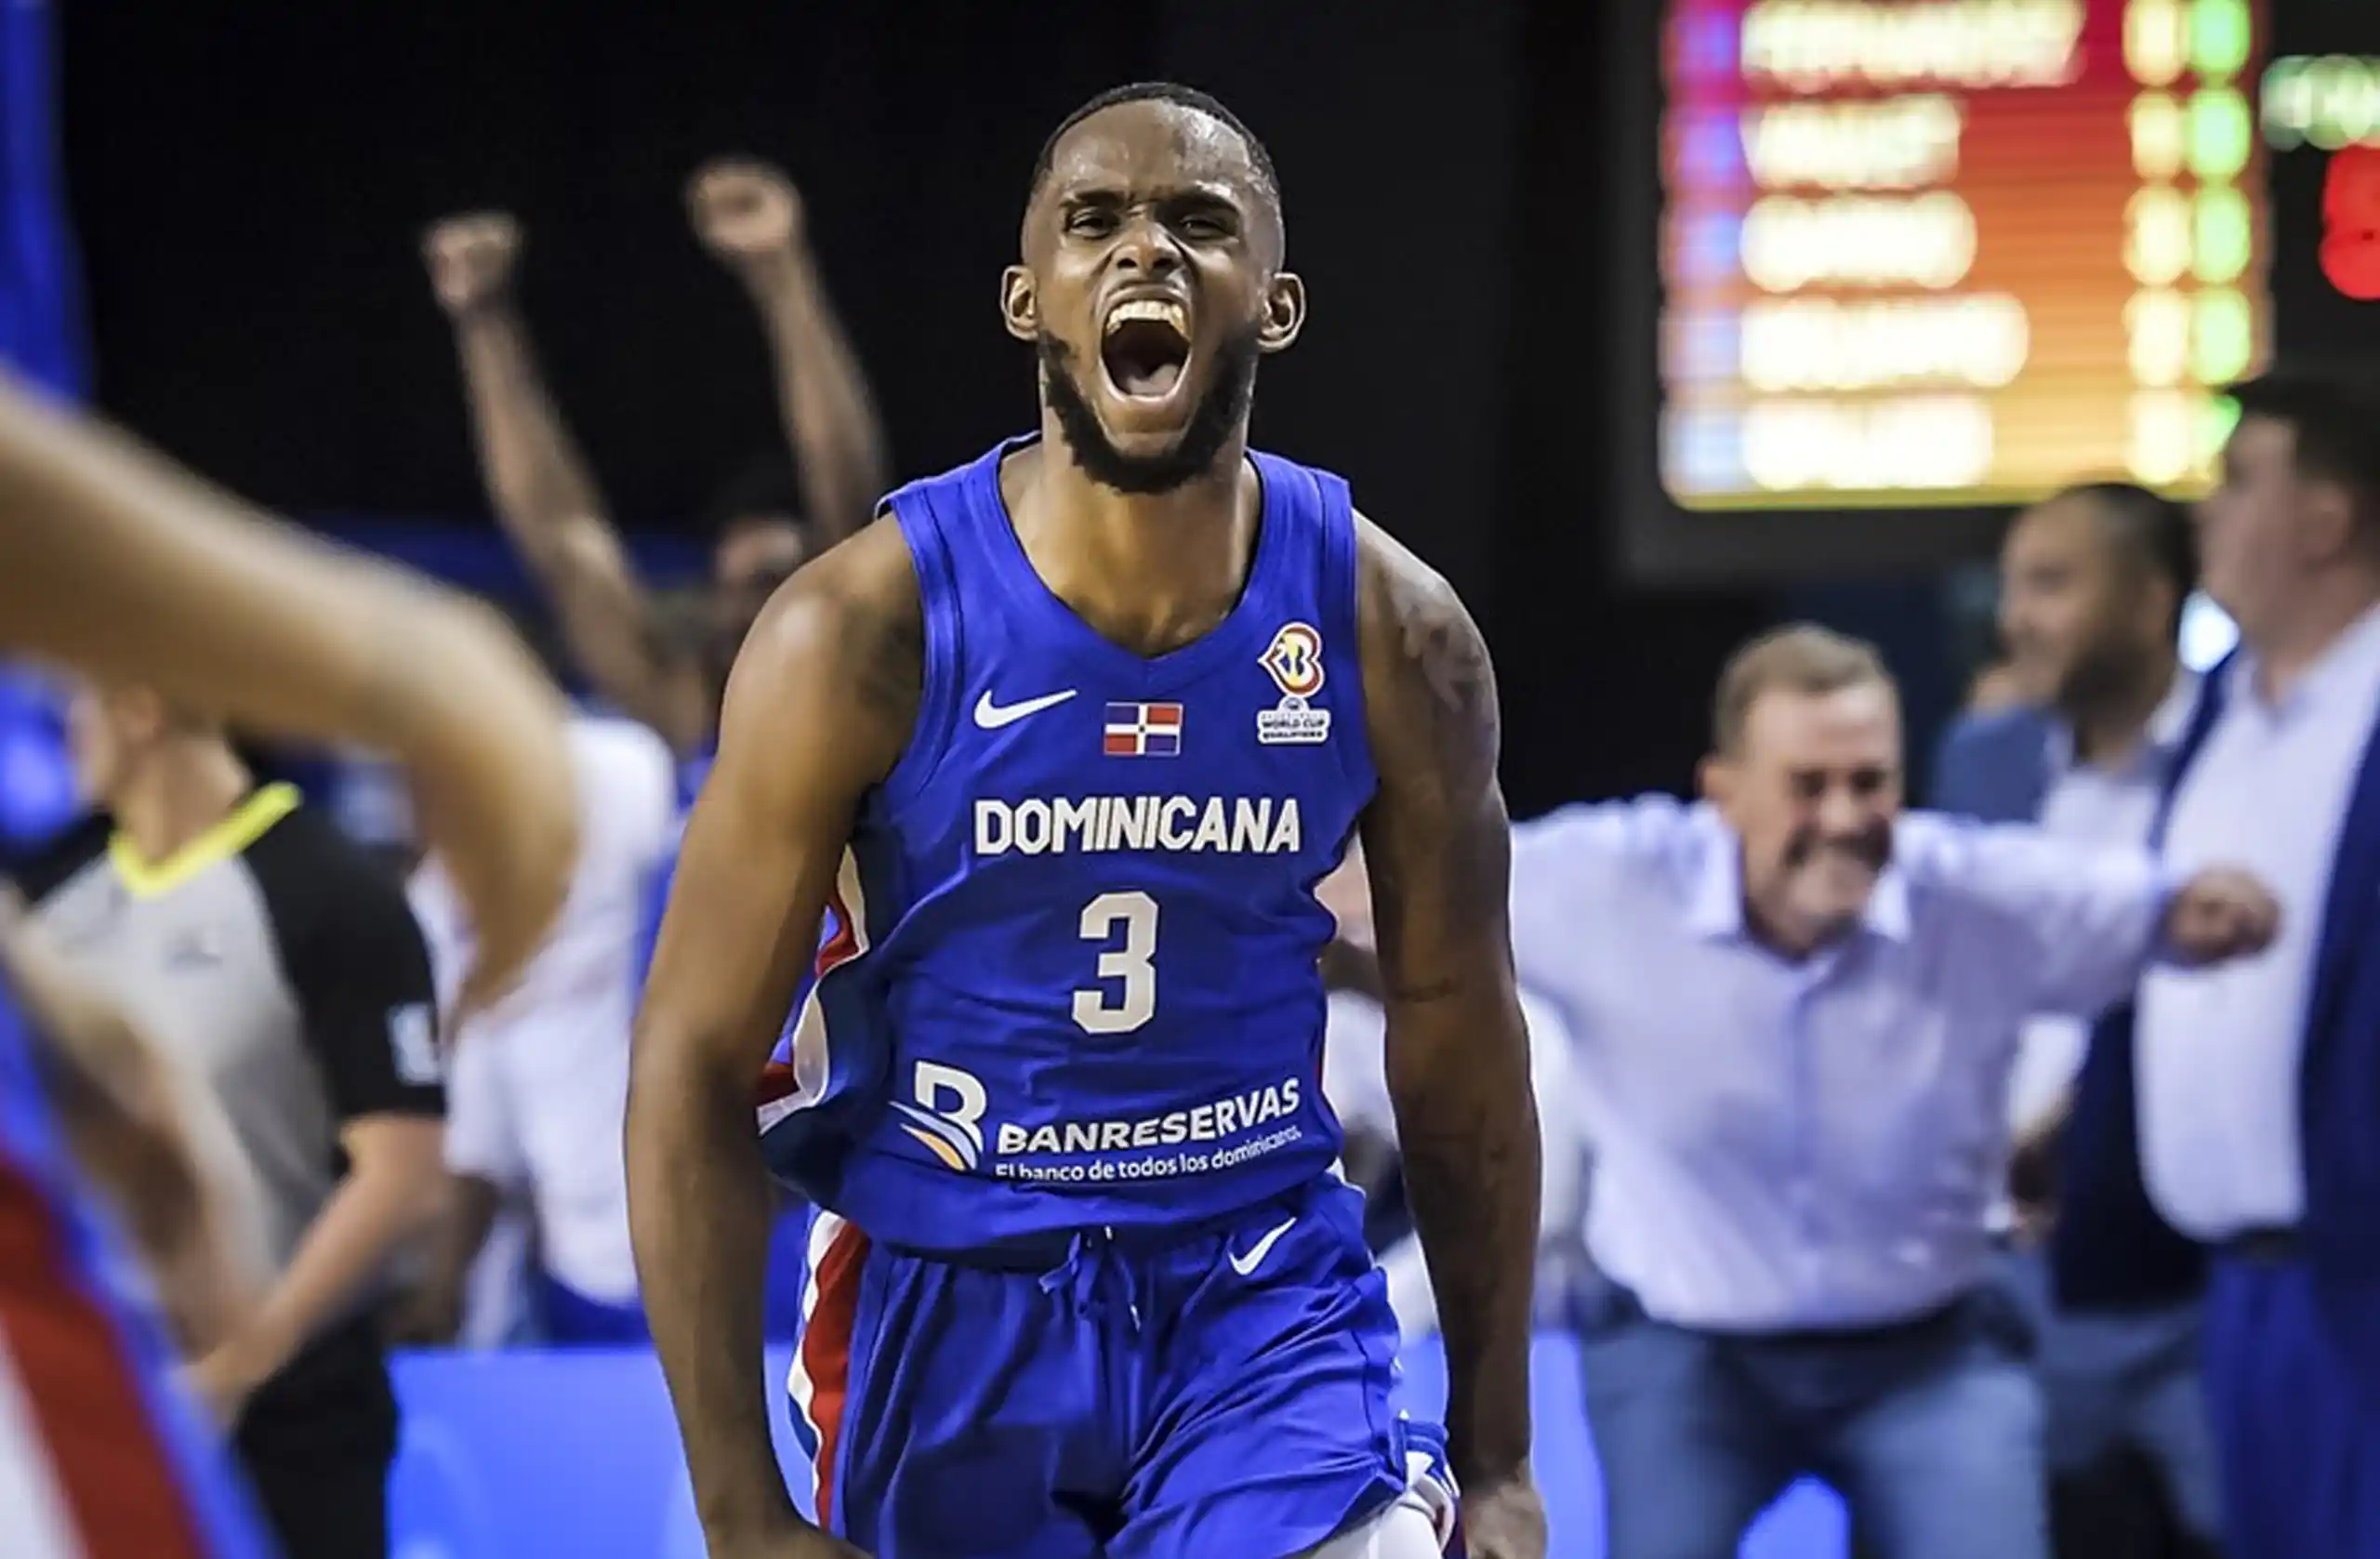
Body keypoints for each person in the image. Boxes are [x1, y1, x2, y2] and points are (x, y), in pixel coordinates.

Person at [627, 82, 1546, 1559]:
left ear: (1279, 303)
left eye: (1200, 223)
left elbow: (1460, 1039)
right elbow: (686, 1059)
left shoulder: (1396, 635)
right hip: (949, 1278)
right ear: (1028, 299)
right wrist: (742, 1513)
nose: (1147, 255)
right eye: (1095, 221)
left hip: (1258, 1282)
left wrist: (1499, 1457)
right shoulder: (861, 632)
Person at [1509, 624, 2274, 1559]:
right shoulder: (1608, 883)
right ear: (1723, 795)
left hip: (1930, 1350)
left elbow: (2145, 906)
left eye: (1869, 782)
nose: (1842, 817)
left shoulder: (1974, 894)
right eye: (1807, 787)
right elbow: (1408, 895)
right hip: (1687, 1350)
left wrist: (2219, 906)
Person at [0, 370, 579, 1556]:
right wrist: (415, 667)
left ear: (144, 697)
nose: (64, 721)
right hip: (137, 1349)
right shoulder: (60, 873)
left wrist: (247, 1352)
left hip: (290, 1399)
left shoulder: (331, 889)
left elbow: (401, 1169)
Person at [2058, 368, 2380, 1558]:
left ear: (2326, 520)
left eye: (2240, 482)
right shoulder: (2222, 710)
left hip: (2358, 1281)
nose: (2204, 512)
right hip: (2227, 1291)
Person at [1933, 482, 2223, 1556]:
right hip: (2008, 1280)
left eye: (2051, 584)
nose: (2016, 618)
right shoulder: (1983, 759)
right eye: (2012, 586)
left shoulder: (2234, 750)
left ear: (2151, 601)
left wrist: (2081, 1119)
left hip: (2192, 1278)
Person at [422, 157, 891, 765]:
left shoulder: (840, 693)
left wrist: (781, 271)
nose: (746, 611)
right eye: (731, 589)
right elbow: (566, 543)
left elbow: (844, 481)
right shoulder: (686, 710)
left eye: (769, 582)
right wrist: (482, 318)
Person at [403, 711, 679, 1347]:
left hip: (731, 1231)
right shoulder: (441, 906)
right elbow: (479, 1135)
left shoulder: (618, 774)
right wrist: (442, 1290)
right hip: (585, 1271)